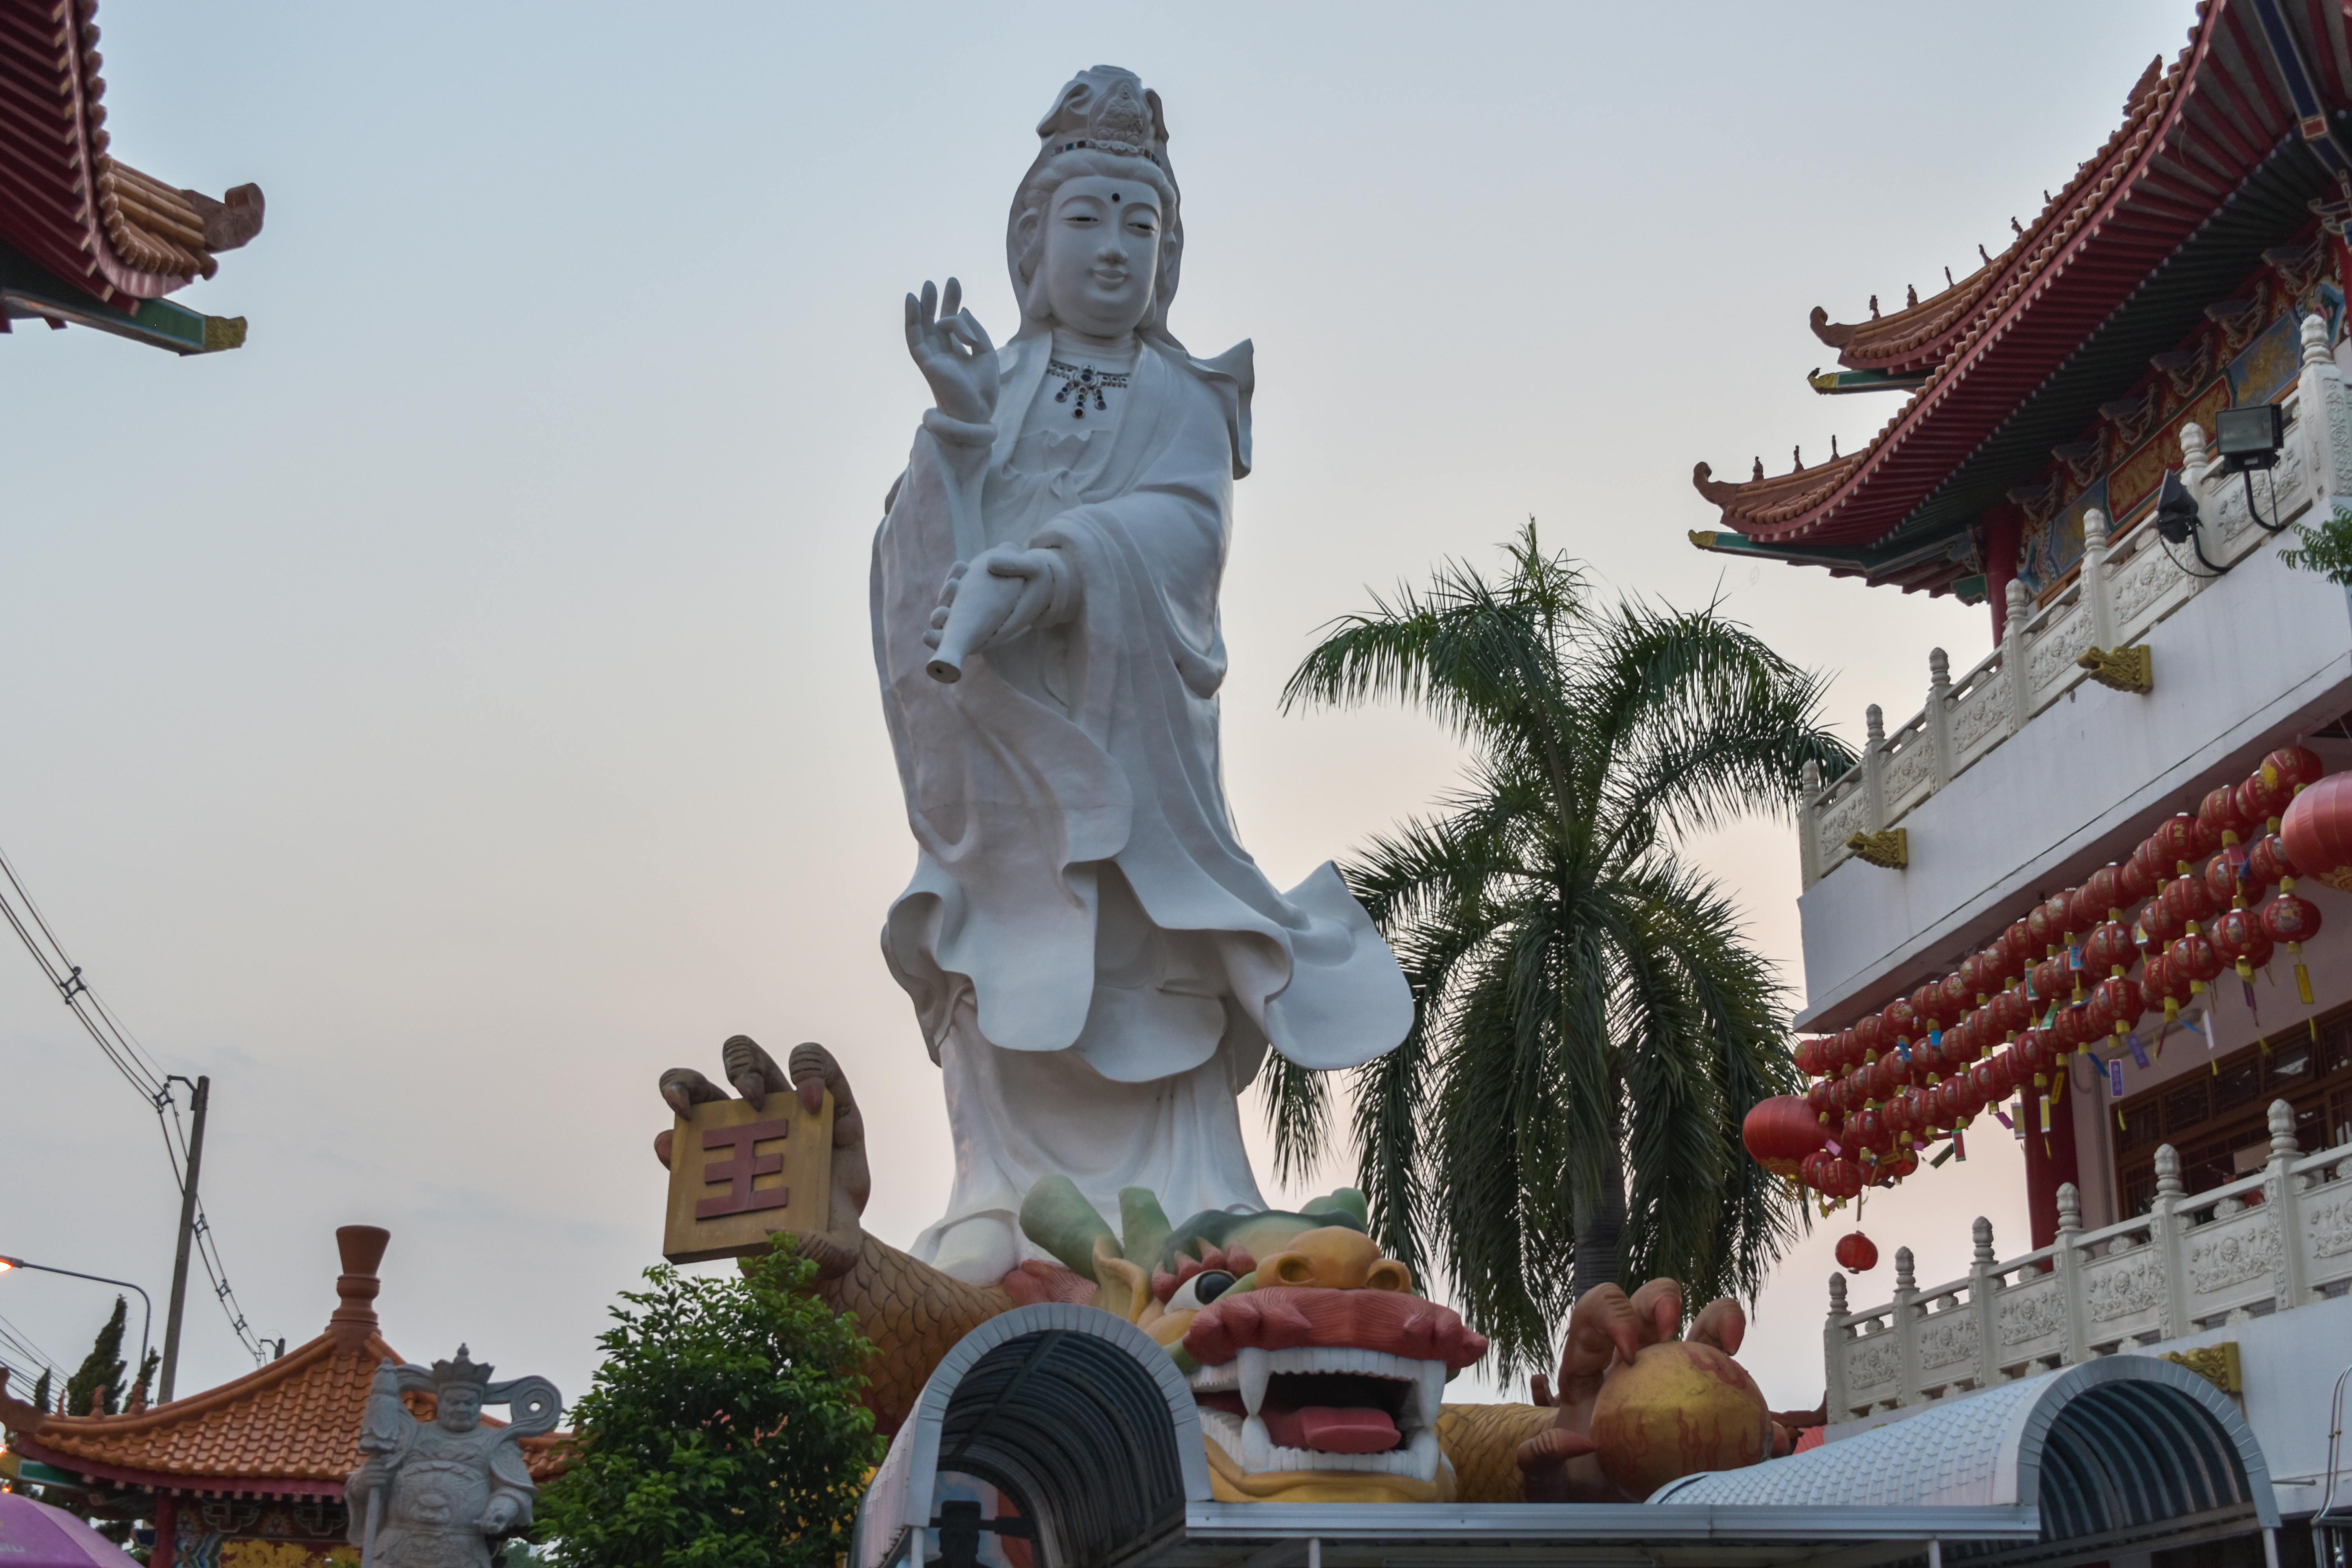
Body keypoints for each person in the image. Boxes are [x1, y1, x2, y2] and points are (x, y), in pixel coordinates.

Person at [867, 66, 1412, 1281]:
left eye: (1140, 224)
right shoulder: (989, 390)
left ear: (1168, 256)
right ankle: (997, 1191)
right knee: (999, 938)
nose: (1114, 250)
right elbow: (912, 573)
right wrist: (955, 431)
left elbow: (1184, 534)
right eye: (1087, 219)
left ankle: (1194, 1197)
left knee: (1145, 955)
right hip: (1009, 762)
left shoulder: (1182, 392)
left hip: (1132, 748)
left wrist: (1061, 571)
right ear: (1030, 242)